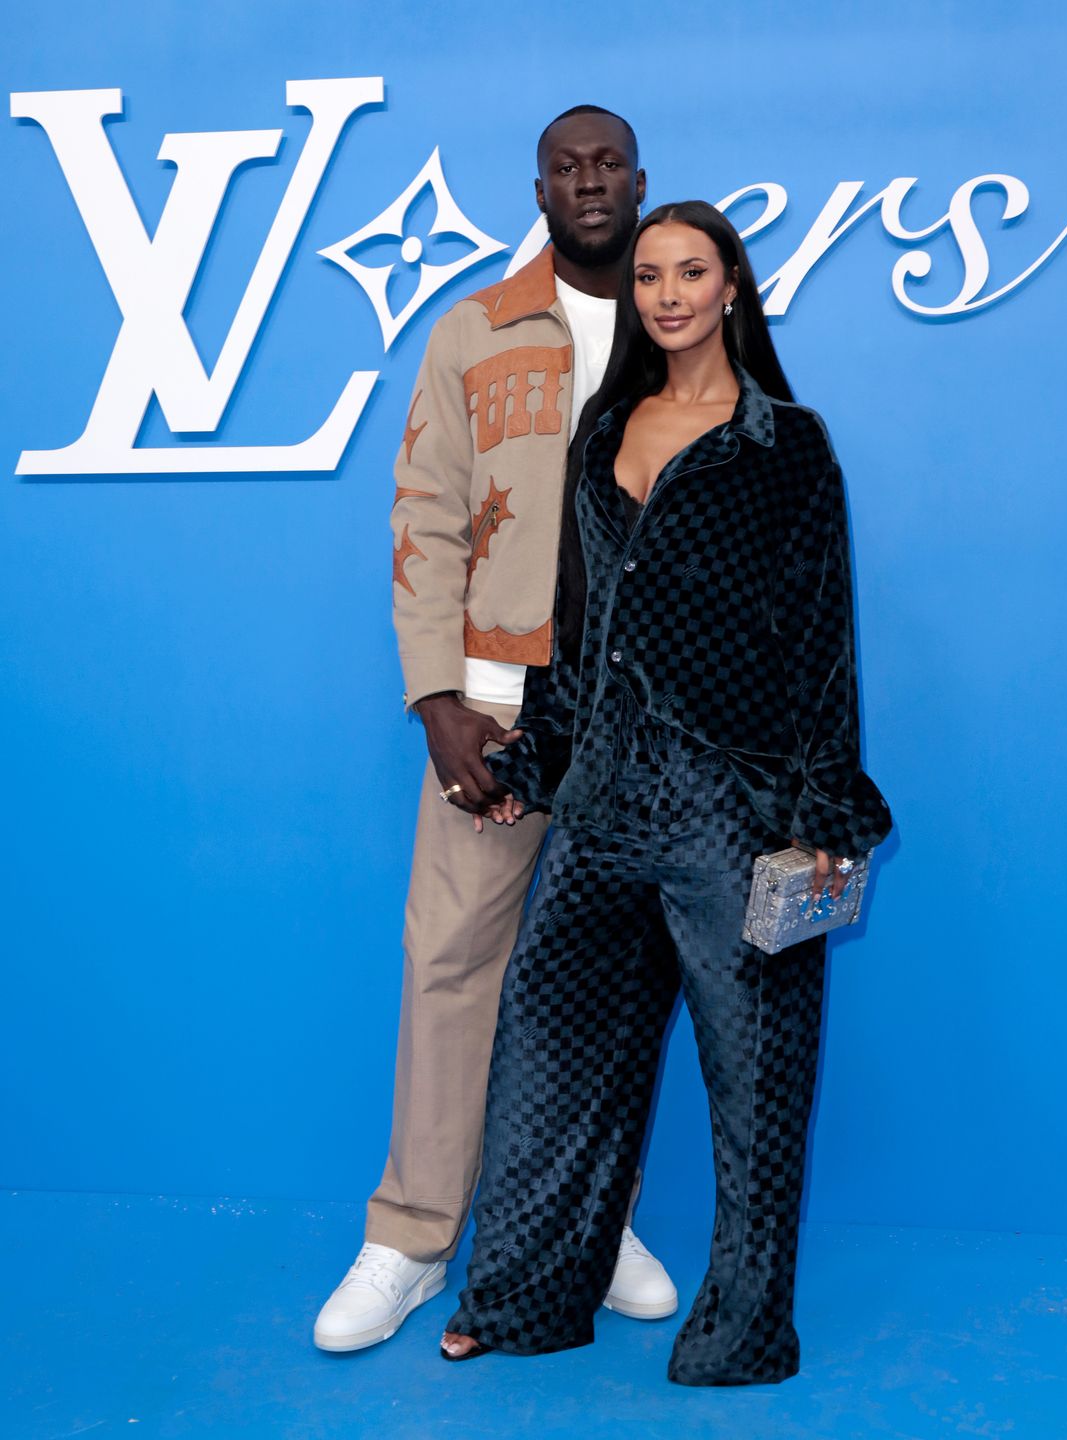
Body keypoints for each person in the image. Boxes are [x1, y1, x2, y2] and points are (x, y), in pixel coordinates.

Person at [439, 201, 892, 1384]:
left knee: (756, 1088)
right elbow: (580, 637)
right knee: (548, 1056)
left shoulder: (785, 444)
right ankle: (526, 1297)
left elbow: (820, 644)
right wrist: (535, 758)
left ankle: (745, 1331)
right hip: (598, 806)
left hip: (727, 817)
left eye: (693, 271)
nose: (670, 293)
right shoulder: (602, 431)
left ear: (734, 286)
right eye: (650, 276)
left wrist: (825, 813)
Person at [314, 108, 678, 1354]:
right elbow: (425, 512)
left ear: (640, 178)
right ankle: (413, 1236)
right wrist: (438, 703)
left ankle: (593, 1215)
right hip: (505, 710)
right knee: (452, 967)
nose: (590, 182)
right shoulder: (473, 329)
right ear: (537, 187)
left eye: (609, 164)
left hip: (639, 720)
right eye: (567, 166)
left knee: (607, 983)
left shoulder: (681, 318)